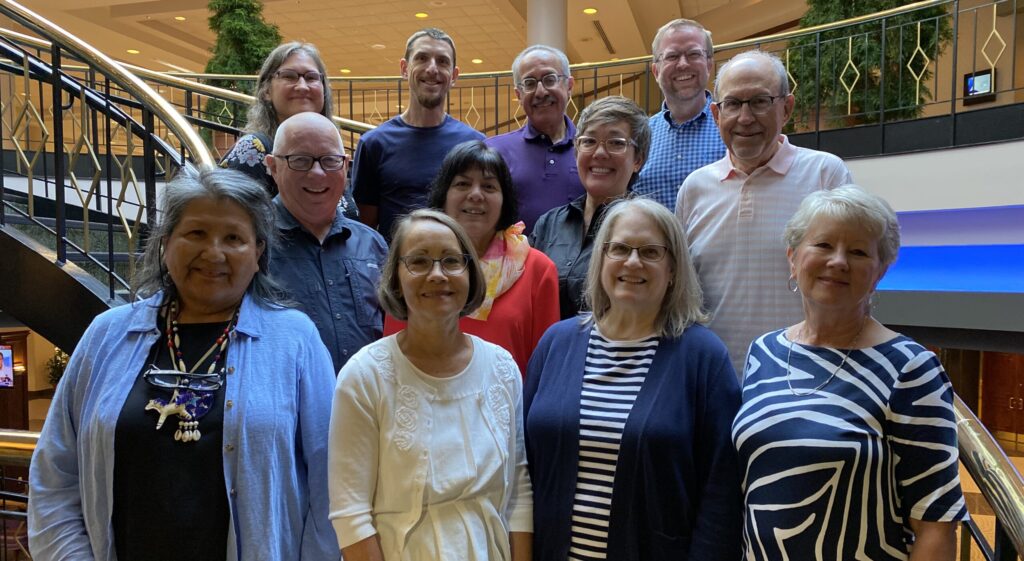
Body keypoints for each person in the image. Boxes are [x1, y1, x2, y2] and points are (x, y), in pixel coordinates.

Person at [28, 165, 338, 561]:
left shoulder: (295, 340)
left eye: (234, 238)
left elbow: (331, 484)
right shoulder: (106, 336)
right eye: (196, 234)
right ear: (165, 242)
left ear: (258, 252)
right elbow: (55, 476)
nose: (214, 253)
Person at [732, 185, 967, 560]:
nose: (838, 261)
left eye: (858, 252)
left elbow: (935, 525)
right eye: (823, 245)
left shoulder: (911, 368)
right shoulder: (765, 351)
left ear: (879, 273)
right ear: (793, 258)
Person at [525, 198, 742, 561]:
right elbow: (523, 468)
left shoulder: (704, 357)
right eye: (620, 248)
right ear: (601, 259)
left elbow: (722, 492)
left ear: (673, 268)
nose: (632, 261)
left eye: (651, 252)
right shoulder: (555, 344)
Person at [328, 209, 533, 561]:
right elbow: (351, 515)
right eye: (419, 261)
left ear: (470, 273)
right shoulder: (365, 376)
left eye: (451, 261)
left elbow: (519, 492)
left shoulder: (502, 368)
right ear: (395, 277)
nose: (437, 275)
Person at [676, 50, 852, 375]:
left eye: (759, 101)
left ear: (786, 108)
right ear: (716, 113)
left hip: (802, 381)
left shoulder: (825, 175)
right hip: (713, 384)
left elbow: (852, 283)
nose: (745, 118)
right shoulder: (695, 188)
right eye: (732, 104)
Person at [384, 140, 559, 375]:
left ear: (504, 199)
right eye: (463, 184)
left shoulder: (538, 269)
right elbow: (393, 354)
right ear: (443, 195)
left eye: (488, 187)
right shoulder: (416, 264)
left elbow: (547, 367)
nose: (476, 195)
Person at [266, 112, 387, 372]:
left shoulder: (373, 246)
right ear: (273, 166)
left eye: (330, 160)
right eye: (300, 160)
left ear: (345, 166)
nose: (318, 173)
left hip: (368, 406)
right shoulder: (253, 245)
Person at [351, 28, 485, 241]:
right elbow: (364, 230)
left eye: (442, 61)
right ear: (404, 68)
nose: (432, 69)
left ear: (454, 75)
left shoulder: (475, 144)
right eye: (422, 58)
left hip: (460, 268)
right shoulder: (374, 144)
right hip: (396, 270)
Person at [531, 95, 651, 320]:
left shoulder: (650, 230)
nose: (599, 153)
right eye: (589, 141)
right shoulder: (549, 224)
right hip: (552, 352)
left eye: (616, 143)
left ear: (638, 160)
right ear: (576, 152)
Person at [219, 41, 358, 219]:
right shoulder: (253, 150)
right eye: (289, 76)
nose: (302, 86)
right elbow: (228, 223)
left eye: (311, 77)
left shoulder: (333, 155)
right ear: (266, 91)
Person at [485, 45, 584, 233]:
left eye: (550, 79)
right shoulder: (494, 151)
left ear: (569, 86)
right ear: (518, 95)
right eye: (529, 83)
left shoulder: (592, 151)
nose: (540, 91)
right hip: (516, 263)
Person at [632, 19, 725, 209]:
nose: (683, 64)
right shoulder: (640, 136)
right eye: (672, 56)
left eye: (693, 54)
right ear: (656, 70)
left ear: (709, 64)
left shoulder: (732, 126)